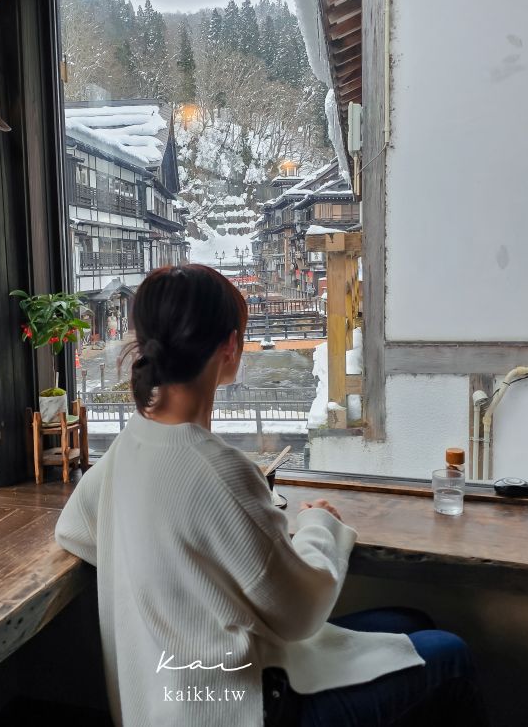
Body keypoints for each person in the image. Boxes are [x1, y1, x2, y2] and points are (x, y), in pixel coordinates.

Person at [55, 264, 486, 727]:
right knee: (451, 655)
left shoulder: (129, 444)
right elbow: (300, 614)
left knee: (411, 621)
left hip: (163, 703)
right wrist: (319, 526)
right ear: (230, 346)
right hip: (237, 709)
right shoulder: (218, 469)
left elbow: (75, 530)